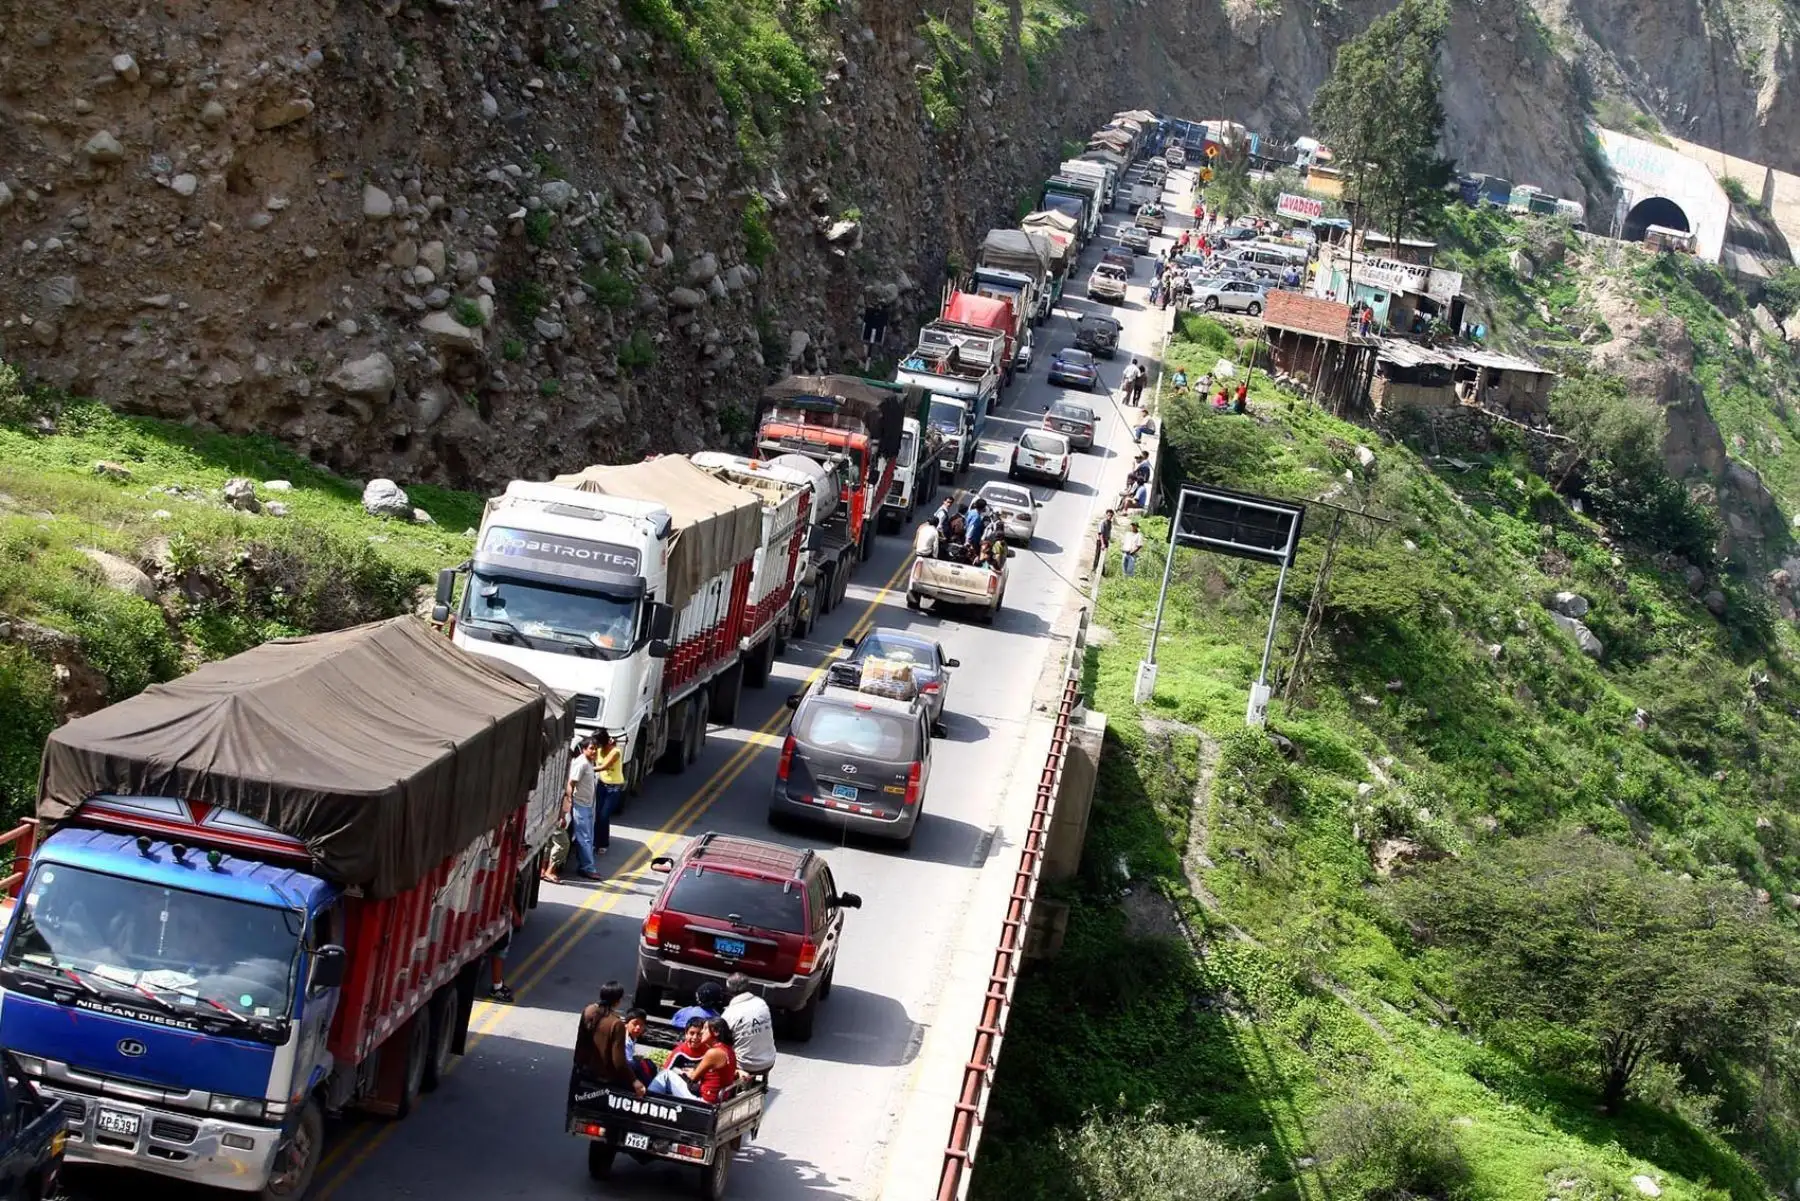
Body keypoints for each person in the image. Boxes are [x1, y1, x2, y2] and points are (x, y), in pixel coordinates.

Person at [575, 980, 645, 1096]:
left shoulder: (588, 1011)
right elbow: (619, 1061)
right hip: (603, 1081)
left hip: (582, 1073)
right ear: (617, 1001)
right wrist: (635, 1081)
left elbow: (580, 1043)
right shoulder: (616, 1024)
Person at [648, 1018, 739, 1102]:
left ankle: (646, 1102)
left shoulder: (713, 1052)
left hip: (705, 1101)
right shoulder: (729, 1050)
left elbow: (693, 1078)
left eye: (705, 1028)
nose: (702, 1031)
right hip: (719, 1097)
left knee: (665, 1075)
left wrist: (688, 1072)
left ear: (715, 1032)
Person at [723, 973, 777, 1076]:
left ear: (728, 990)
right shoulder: (761, 1003)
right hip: (769, 1060)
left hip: (744, 1066)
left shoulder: (729, 1014)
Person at [564, 736, 602, 881]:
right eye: (591, 748)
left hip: (588, 805)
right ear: (584, 749)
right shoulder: (582, 764)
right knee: (584, 838)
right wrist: (569, 800)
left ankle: (583, 866)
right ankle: (588, 868)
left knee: (588, 837)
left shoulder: (589, 762)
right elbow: (571, 783)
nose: (594, 751)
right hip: (580, 806)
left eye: (595, 749)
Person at [593, 729, 625, 856]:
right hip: (601, 785)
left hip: (613, 788)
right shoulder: (599, 750)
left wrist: (586, 768)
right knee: (597, 814)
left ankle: (603, 843)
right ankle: (595, 842)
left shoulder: (615, 752)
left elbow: (603, 766)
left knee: (604, 815)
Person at [487, 892, 522, 1002]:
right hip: (500, 912)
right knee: (501, 951)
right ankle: (497, 987)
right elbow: (507, 891)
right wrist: (515, 915)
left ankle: (498, 984)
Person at [622, 1007, 658, 1085]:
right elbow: (628, 1062)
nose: (638, 1027)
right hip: (622, 1071)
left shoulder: (632, 1038)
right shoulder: (622, 1037)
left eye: (641, 1025)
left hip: (629, 1067)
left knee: (649, 1064)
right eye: (635, 1023)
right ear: (626, 1024)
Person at [1095, 508, 1114, 573]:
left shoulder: (1110, 523)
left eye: (1111, 516)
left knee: (1103, 556)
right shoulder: (1102, 522)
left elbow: (1108, 532)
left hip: (1106, 541)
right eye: (1108, 515)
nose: (1109, 517)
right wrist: (1102, 544)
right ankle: (1095, 569)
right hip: (1101, 541)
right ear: (1106, 515)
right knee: (1098, 555)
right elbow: (1100, 534)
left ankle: (1101, 570)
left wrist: (1108, 540)